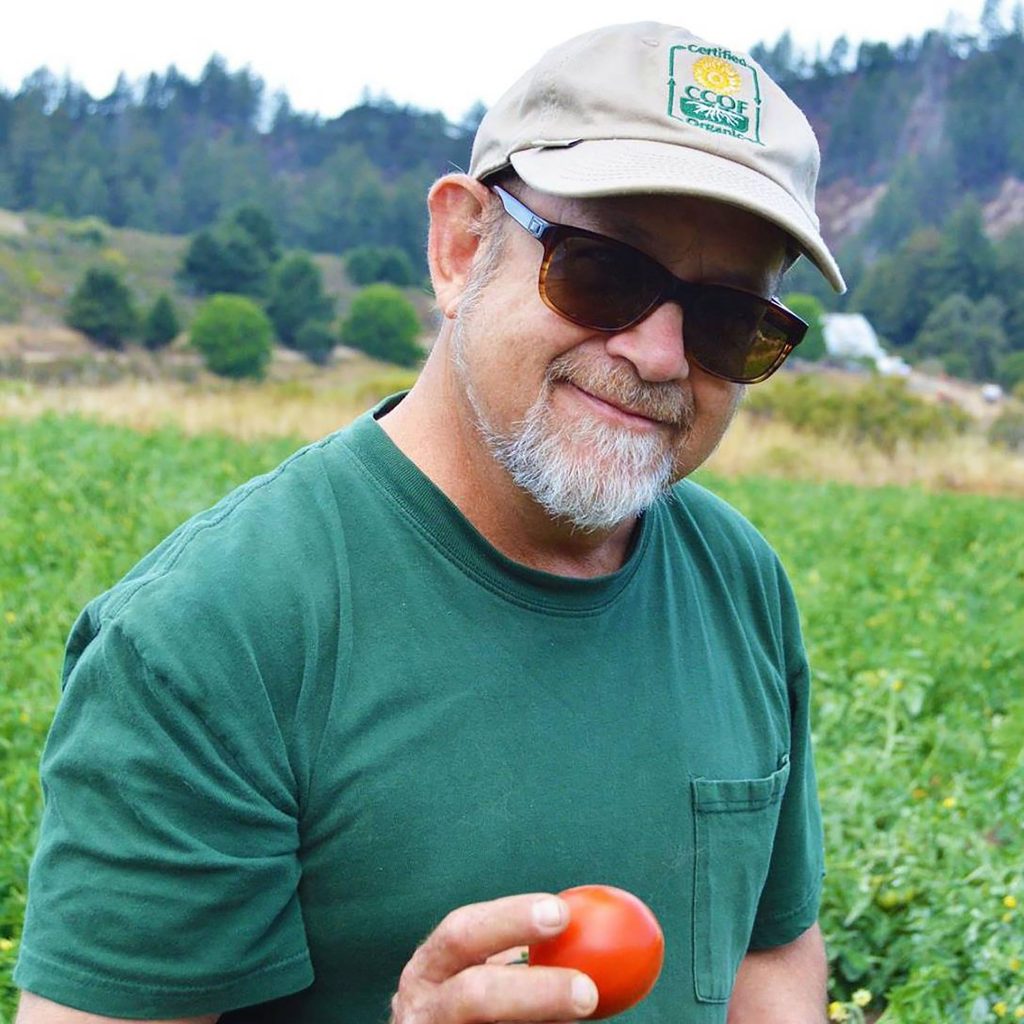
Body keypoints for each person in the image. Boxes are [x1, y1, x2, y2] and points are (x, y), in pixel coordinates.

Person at [14, 21, 845, 1024]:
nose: (661, 353)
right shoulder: (211, 633)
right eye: (603, 272)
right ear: (460, 248)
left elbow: (771, 952)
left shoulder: (736, 579)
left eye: (728, 321)